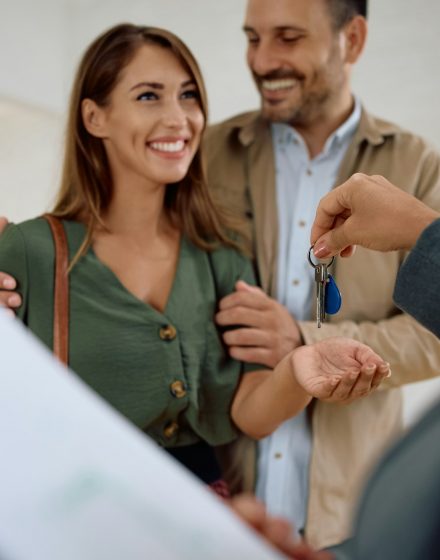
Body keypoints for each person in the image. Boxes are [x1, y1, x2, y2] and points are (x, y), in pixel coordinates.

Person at [0, 24, 389, 493]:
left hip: (198, 512)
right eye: (148, 96)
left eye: (188, 96)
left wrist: (298, 371)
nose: (178, 118)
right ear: (94, 117)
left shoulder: (219, 251)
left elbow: (246, 408)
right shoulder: (30, 249)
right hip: (75, 509)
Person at [203, 0, 440, 548]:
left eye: (287, 37)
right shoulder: (210, 153)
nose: (261, 61)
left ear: (351, 39)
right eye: (252, 38)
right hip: (226, 499)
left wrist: (307, 339)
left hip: (350, 519)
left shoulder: (418, 165)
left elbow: (435, 331)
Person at [234, 181, 440, 559]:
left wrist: (423, 230)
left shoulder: (418, 162)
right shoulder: (220, 159)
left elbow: (430, 343)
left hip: (343, 495)